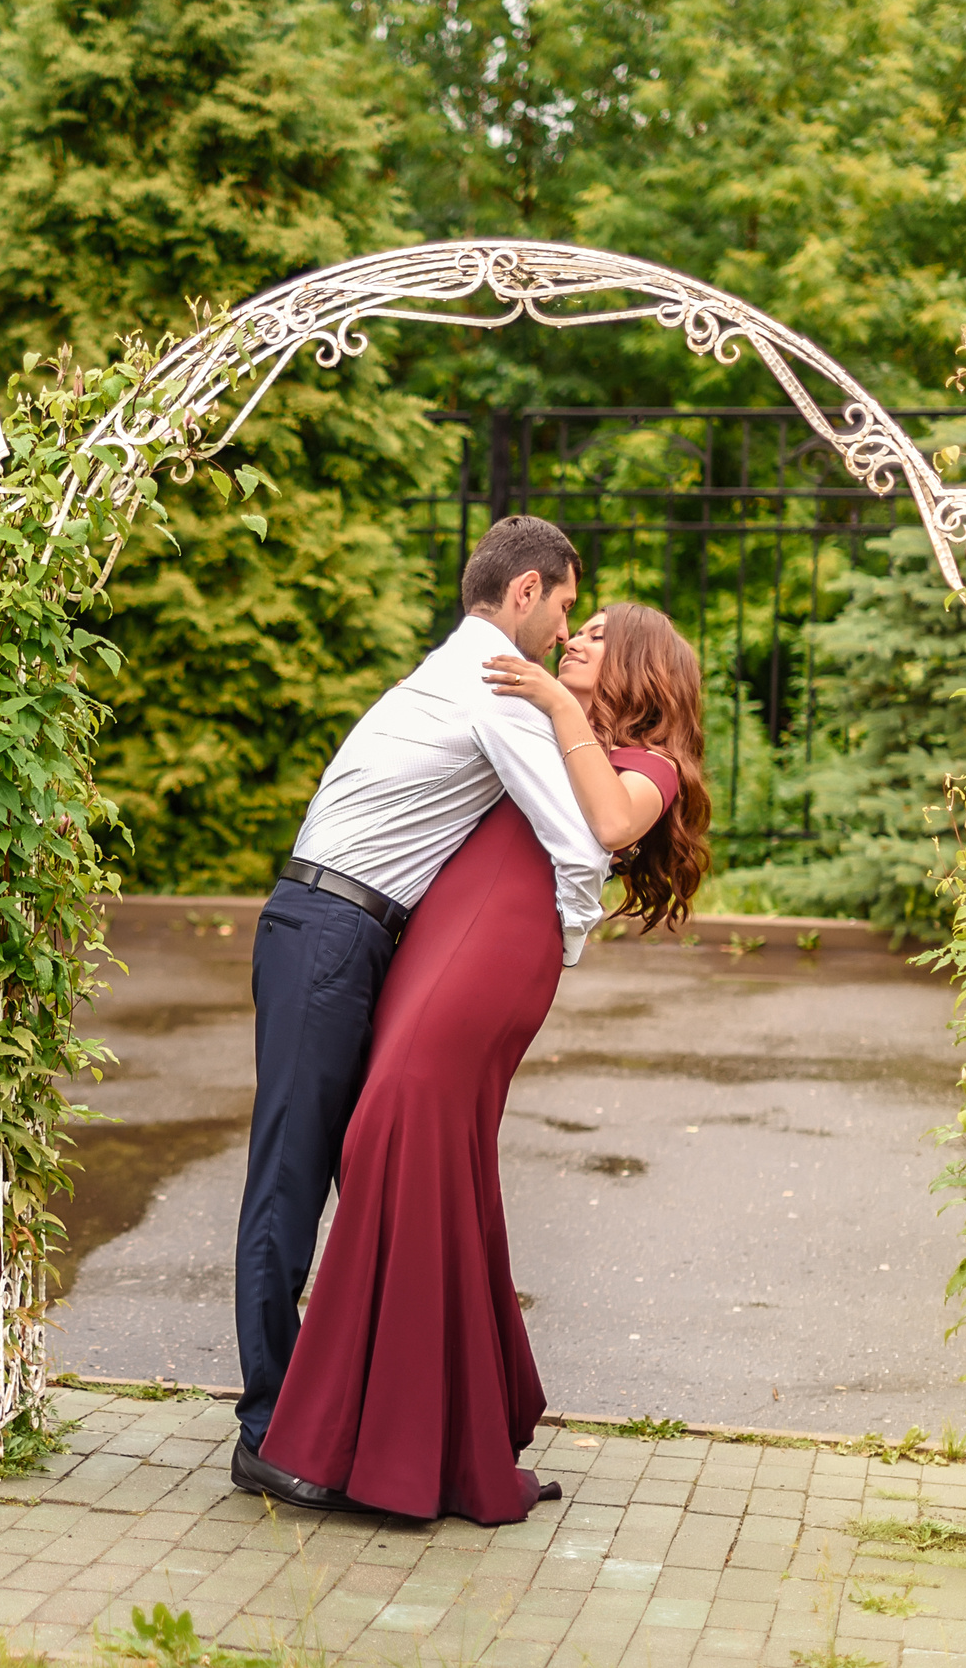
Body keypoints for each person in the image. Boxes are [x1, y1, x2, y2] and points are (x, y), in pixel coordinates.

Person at [258, 601, 712, 1523]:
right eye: (574, 628)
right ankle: (443, 1437)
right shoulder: (538, 720)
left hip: (493, 951)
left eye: (599, 636)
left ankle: (377, 1447)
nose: (575, 638)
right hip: (439, 941)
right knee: (407, 1151)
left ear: (641, 669)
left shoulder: (648, 763)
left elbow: (612, 827)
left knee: (397, 1130)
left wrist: (555, 697)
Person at [230, 517, 612, 1513]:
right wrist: (567, 943)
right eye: (565, 602)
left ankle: (342, 1418)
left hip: (339, 929)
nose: (565, 625)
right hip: (329, 931)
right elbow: (579, 841)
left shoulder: (456, 666)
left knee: (363, 1170)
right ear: (524, 591)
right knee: (293, 1175)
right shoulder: (496, 685)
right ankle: (266, 1429)